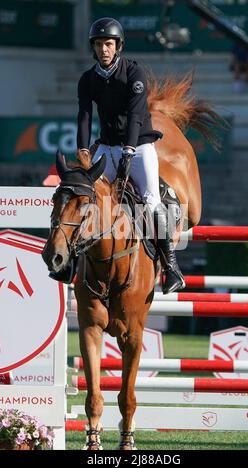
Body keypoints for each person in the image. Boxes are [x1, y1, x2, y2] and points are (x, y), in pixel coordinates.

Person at [77, 17, 185, 295]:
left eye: (108, 44)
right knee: (86, 198)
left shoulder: (134, 75)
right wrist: (84, 150)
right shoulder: (88, 79)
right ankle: (72, 262)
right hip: (106, 148)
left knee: (149, 201)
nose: (104, 49)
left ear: (118, 46)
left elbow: (137, 116)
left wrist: (129, 150)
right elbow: (85, 115)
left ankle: (171, 265)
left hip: (138, 148)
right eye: (99, 44)